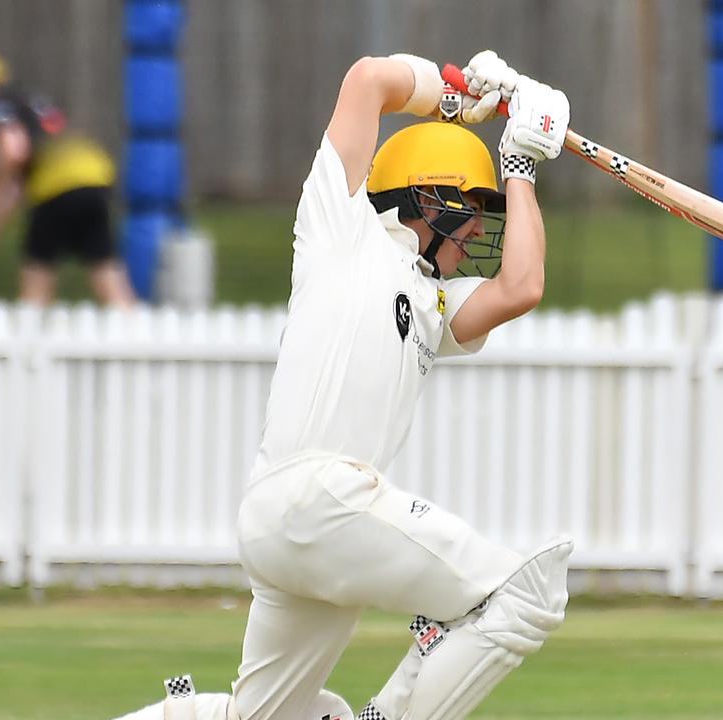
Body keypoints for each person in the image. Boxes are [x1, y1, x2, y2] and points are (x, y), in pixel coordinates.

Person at [225, 49, 573, 720]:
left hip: (285, 519)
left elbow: (521, 285)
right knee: (523, 596)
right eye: (471, 209)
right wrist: (459, 97)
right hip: (319, 496)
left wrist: (520, 162)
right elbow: (367, 79)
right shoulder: (341, 226)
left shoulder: (433, 302)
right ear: (429, 197)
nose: (477, 229)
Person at [0, 50, 135, 307]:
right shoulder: (27, 103)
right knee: (106, 269)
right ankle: (136, 337)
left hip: (54, 189)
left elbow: (13, 151)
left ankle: (30, 341)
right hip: (94, 181)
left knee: (36, 275)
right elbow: (14, 190)